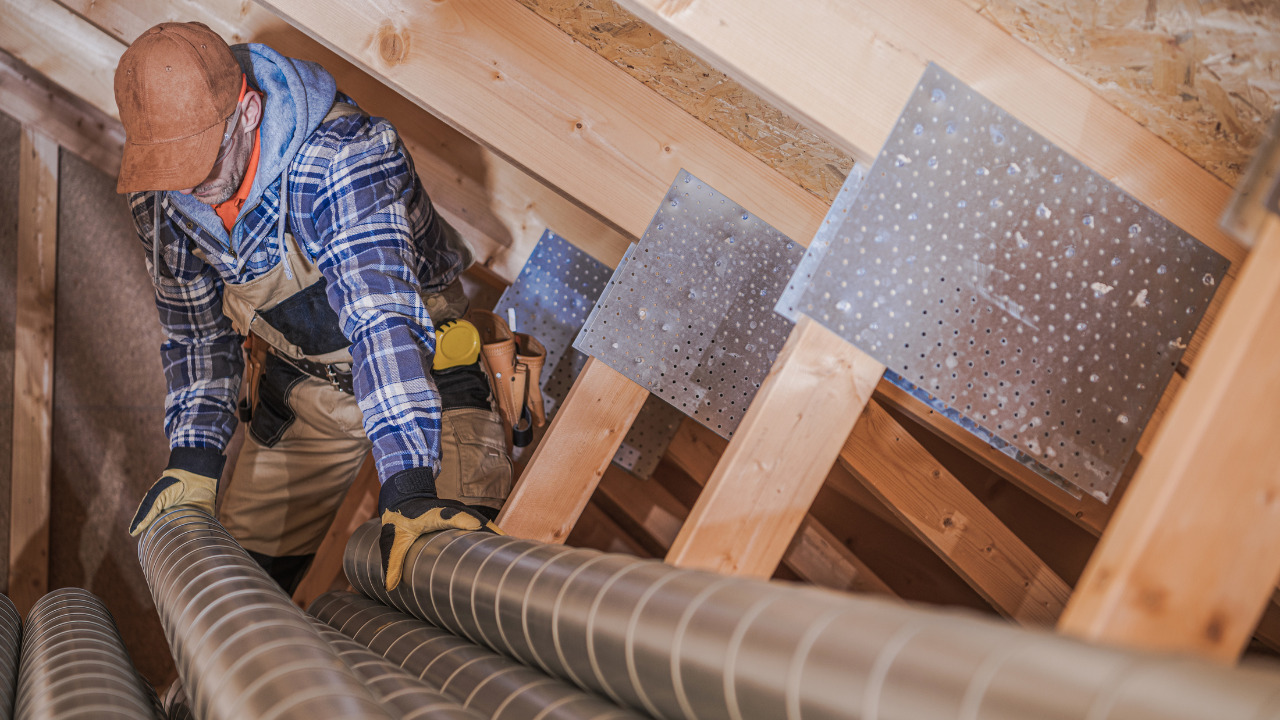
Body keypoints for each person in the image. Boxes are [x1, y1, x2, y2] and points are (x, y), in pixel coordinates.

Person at [115, 21, 509, 593]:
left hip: (419, 372)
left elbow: (381, 318)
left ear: (247, 113)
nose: (187, 185)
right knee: (240, 590)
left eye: (199, 158)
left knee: (450, 580)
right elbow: (198, 336)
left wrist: (409, 483)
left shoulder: (341, 157)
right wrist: (195, 453)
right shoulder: (162, 199)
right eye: (168, 167)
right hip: (308, 390)